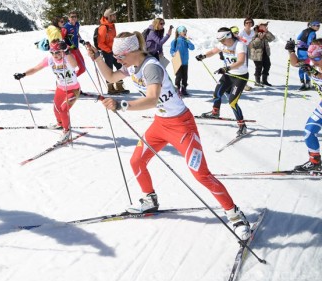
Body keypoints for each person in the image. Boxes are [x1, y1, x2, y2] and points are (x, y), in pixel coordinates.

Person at [85, 32, 251, 240]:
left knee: (201, 175)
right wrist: (97, 58)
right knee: (136, 161)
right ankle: (149, 200)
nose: (118, 60)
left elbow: (153, 99)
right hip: (160, 125)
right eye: (117, 57)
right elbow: (110, 77)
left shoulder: (151, 67)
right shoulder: (131, 66)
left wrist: (122, 104)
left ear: (132, 52)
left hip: (182, 126)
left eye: (120, 56)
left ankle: (235, 215)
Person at [13, 40, 81, 144]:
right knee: (56, 108)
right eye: (52, 52)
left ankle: (66, 131)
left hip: (73, 89)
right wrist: (23, 74)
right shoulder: (50, 59)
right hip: (60, 88)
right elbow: (36, 68)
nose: (55, 55)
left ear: (62, 51)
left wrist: (67, 51)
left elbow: (75, 64)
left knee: (63, 109)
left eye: (58, 52)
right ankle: (60, 124)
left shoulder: (67, 57)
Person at [195, 27, 249, 136]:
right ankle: (215, 112)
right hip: (228, 75)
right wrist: (203, 56)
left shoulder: (239, 45)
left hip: (240, 77)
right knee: (217, 93)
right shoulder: (222, 44)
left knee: (232, 102)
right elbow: (213, 51)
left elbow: (241, 61)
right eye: (220, 41)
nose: (222, 43)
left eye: (223, 40)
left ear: (229, 36)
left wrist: (227, 68)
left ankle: (242, 125)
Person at [286, 38, 322, 171]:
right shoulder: (312, 62)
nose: (314, 60)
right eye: (311, 56)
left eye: (317, 57)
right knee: (309, 131)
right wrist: (291, 51)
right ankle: (315, 162)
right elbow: (295, 63)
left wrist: (313, 72)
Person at [96, 8, 128, 94]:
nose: (115, 16)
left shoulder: (112, 25)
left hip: (114, 51)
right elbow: (100, 43)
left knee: (120, 67)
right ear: (109, 16)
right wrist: (109, 50)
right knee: (109, 69)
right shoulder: (103, 27)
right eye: (113, 15)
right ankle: (110, 88)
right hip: (107, 52)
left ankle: (119, 85)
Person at [169, 26, 195, 96]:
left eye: (186, 31)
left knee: (185, 76)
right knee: (178, 76)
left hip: (185, 61)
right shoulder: (175, 41)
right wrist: (173, 53)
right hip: (177, 61)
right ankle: (177, 88)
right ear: (179, 32)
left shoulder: (186, 40)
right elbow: (171, 50)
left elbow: (192, 48)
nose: (185, 32)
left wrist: (188, 40)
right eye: (184, 31)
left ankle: (184, 88)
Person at [248, 22, 275, 87]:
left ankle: (264, 80)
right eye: (264, 25)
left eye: (266, 25)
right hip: (256, 54)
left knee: (267, 65)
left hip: (265, 53)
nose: (265, 26)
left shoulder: (265, 32)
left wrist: (267, 32)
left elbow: (272, 39)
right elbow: (252, 44)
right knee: (258, 67)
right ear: (259, 25)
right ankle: (257, 82)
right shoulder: (254, 32)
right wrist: (259, 38)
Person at [296, 21, 320, 91]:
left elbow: (298, 37)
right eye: (316, 25)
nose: (318, 27)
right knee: (308, 66)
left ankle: (302, 82)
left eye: (319, 25)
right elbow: (310, 42)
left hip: (300, 50)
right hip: (307, 51)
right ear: (312, 25)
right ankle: (307, 84)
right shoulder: (313, 33)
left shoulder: (304, 31)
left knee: (301, 65)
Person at [63, 11, 86, 77]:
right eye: (72, 17)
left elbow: (77, 34)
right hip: (69, 51)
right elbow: (62, 40)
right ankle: (68, 81)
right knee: (71, 68)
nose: (74, 18)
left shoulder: (77, 24)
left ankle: (71, 79)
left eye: (75, 16)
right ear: (68, 18)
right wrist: (69, 47)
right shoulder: (65, 27)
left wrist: (81, 40)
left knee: (83, 68)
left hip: (76, 49)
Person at [234, 18, 255, 91]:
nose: (248, 24)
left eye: (250, 22)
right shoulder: (241, 33)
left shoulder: (253, 32)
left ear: (252, 24)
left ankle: (243, 83)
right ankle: (242, 84)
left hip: (250, 51)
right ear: (244, 24)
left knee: (246, 67)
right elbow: (237, 41)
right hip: (242, 51)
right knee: (242, 67)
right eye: (247, 23)